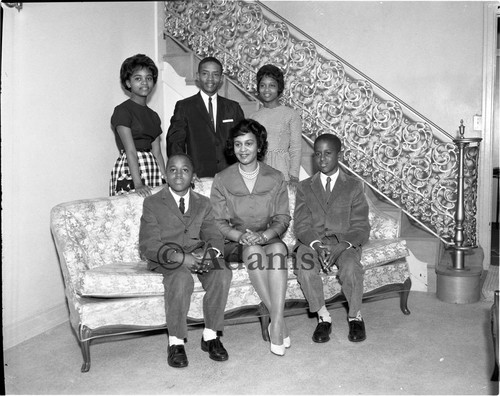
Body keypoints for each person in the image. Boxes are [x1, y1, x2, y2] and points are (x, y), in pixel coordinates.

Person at [139, 153, 232, 368]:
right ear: (165, 174)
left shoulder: (204, 203)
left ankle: (210, 336)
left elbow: (213, 235)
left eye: (185, 170)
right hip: (167, 256)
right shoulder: (152, 202)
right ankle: (176, 342)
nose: (178, 175)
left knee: (222, 272)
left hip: (199, 253)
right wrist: (181, 258)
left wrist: (210, 254)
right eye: (173, 169)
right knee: (181, 279)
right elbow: (148, 244)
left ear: (193, 176)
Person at [210, 119, 291, 356]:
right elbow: (218, 222)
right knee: (254, 252)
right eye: (238, 144)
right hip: (235, 242)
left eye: (248, 143)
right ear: (232, 147)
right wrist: (241, 237)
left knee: (277, 251)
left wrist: (264, 235)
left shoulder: (275, 177)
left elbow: (283, 217)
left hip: (269, 237)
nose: (243, 149)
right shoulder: (222, 178)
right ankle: (280, 322)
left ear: (259, 146)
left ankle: (275, 322)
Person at [294, 133, 370, 344]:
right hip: (312, 243)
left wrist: (344, 245)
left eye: (328, 153)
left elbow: (361, 225)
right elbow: (301, 225)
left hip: (344, 242)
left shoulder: (353, 186)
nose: (322, 159)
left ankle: (355, 316)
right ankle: (323, 317)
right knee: (305, 266)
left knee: (351, 268)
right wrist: (316, 245)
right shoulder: (304, 187)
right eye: (318, 154)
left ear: (339, 155)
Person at [166, 56, 245, 178]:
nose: (210, 79)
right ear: (197, 76)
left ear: (221, 78)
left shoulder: (233, 107)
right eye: (205, 74)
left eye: (215, 74)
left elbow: (242, 141)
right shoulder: (184, 106)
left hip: (230, 176)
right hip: (198, 177)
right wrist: (184, 171)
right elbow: (175, 143)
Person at [110, 54, 167, 197]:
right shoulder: (122, 111)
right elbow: (130, 150)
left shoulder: (153, 115)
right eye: (138, 78)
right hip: (131, 170)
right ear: (128, 83)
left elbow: (157, 153)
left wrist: (165, 178)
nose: (144, 82)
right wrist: (138, 183)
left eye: (148, 78)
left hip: (152, 167)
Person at [249, 64, 302, 185]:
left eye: (272, 85)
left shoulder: (291, 115)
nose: (266, 90)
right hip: (258, 170)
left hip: (282, 170)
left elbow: (296, 148)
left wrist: (294, 175)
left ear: (279, 88)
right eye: (262, 85)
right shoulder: (252, 117)